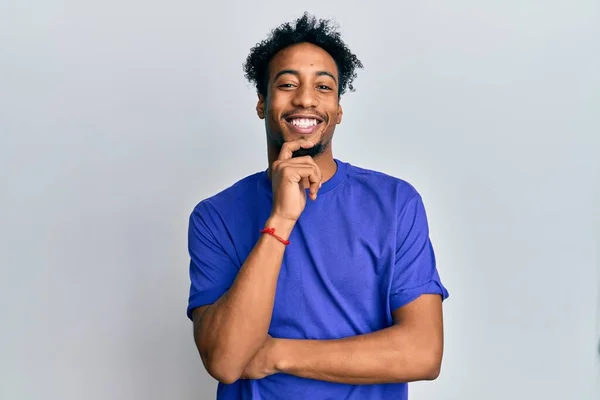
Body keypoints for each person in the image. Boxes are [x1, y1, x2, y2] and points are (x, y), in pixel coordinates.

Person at [186, 12, 449, 400]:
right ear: (262, 102)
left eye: (324, 87)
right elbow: (226, 360)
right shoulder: (215, 216)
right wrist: (281, 217)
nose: (306, 99)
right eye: (288, 84)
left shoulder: (395, 202)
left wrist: (277, 354)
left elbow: (423, 352)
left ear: (338, 110)